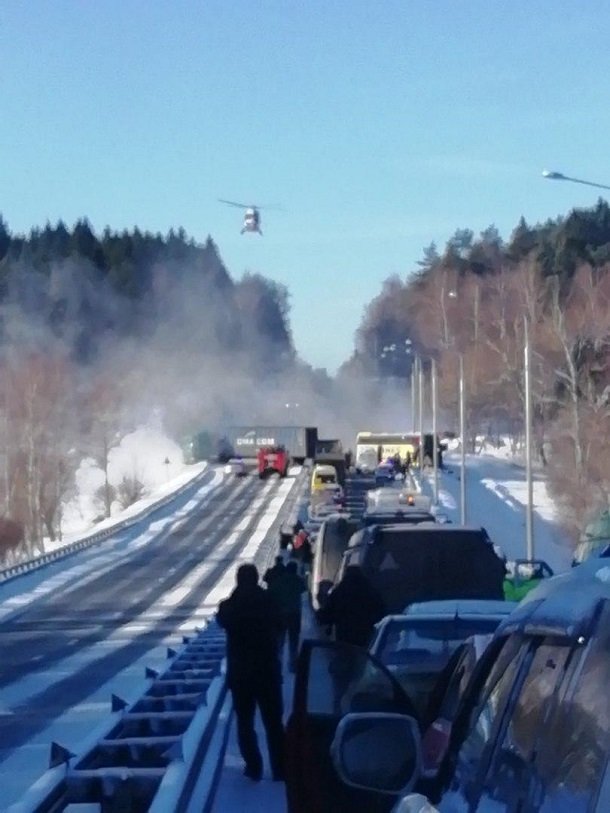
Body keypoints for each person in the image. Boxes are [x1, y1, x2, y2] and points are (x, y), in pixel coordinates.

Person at [217, 563, 285, 781]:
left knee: (245, 723)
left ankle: (253, 766)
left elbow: (222, 620)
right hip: (267, 671)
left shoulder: (230, 605)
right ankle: (280, 768)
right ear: (256, 579)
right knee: (274, 723)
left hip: (241, 674)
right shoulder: (269, 601)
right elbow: (281, 623)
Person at [317, 565, 386, 646]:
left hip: (344, 633)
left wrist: (322, 617)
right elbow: (380, 609)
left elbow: (330, 610)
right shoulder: (370, 590)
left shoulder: (340, 590)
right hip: (365, 632)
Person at [267, 560, 307, 672]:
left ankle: (278, 663)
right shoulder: (298, 580)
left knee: (280, 640)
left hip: (281, 615)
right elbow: (304, 589)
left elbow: (270, 592)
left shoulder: (279, 581)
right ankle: (293, 664)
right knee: (293, 640)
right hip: (295, 614)